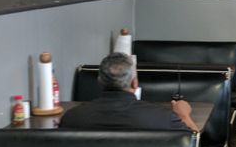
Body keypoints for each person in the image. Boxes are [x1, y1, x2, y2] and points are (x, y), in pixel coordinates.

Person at [59, 52, 198, 131]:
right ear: (134, 82)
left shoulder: (71, 118)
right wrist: (184, 116)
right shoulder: (163, 118)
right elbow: (193, 146)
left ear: (99, 81)